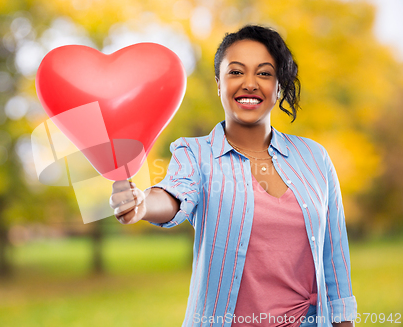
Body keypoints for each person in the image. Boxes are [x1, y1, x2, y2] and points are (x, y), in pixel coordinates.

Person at [109, 24, 357, 327]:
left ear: (279, 85)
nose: (250, 84)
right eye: (236, 72)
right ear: (218, 83)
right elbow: (174, 194)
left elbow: (335, 264)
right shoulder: (196, 154)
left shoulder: (314, 157)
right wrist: (143, 204)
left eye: (264, 73)